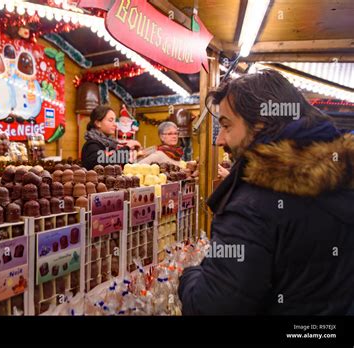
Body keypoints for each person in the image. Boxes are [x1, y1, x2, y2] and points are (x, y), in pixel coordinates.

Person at [178, 69, 354, 315]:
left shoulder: (252, 204)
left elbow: (212, 307)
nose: (220, 140)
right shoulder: (343, 176)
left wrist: (190, 275)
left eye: (226, 126)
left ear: (260, 124)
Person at [81, 105, 140, 170]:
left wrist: (136, 157)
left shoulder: (110, 144)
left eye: (115, 121)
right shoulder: (92, 145)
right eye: (110, 120)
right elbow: (105, 163)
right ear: (98, 123)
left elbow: (119, 163)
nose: (115, 124)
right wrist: (127, 147)